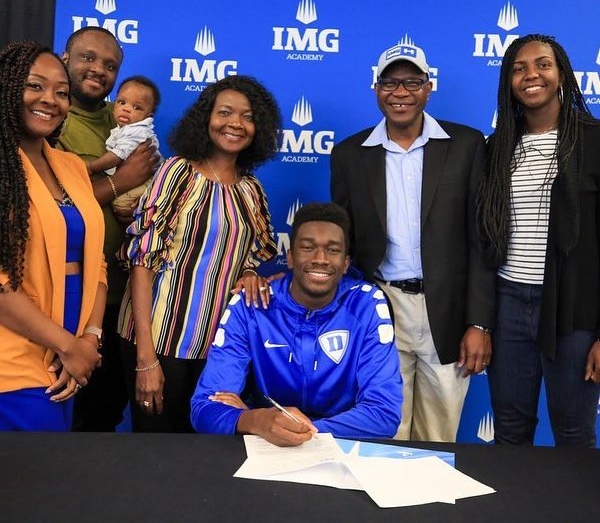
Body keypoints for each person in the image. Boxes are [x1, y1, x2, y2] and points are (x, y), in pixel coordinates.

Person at [330, 42, 496, 442]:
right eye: (389, 82)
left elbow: (482, 240)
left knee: (439, 436)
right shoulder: (349, 154)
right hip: (381, 308)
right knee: (385, 429)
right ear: (376, 88)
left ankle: (431, 507)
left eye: (411, 82)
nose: (400, 92)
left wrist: (479, 322)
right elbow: (343, 242)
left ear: (428, 87)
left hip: (449, 312)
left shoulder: (468, 146)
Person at [118, 75, 280, 433]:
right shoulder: (178, 172)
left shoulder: (252, 190)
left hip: (217, 351)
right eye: (225, 112)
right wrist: (146, 358)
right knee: (158, 455)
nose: (235, 123)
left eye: (247, 116)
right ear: (206, 118)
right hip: (160, 340)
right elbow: (142, 261)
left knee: (206, 454)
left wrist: (250, 275)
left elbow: (250, 259)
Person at [191, 202, 402, 446]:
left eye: (332, 250)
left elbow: (384, 414)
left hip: (338, 448)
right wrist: (256, 421)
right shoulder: (250, 305)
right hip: (266, 448)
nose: (320, 259)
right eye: (308, 248)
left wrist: (288, 426)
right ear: (290, 257)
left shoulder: (366, 304)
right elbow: (204, 409)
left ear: (346, 264)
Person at [477, 34, 600, 447]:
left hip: (574, 312)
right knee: (510, 431)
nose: (531, 75)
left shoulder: (594, 141)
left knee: (573, 432)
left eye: (542, 65)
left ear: (561, 73)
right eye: (518, 68)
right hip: (509, 303)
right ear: (508, 81)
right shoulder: (496, 148)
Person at [0, 41, 105, 431]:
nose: (51, 100)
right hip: (13, 362)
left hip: (70, 359)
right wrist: (65, 343)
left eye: (62, 92)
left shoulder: (72, 166)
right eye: (35, 86)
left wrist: (88, 340)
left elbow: (97, 262)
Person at [58, 26, 158, 431]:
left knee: (106, 413)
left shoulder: (125, 119)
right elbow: (52, 202)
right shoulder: (53, 120)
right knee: (67, 411)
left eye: (110, 65)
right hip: (69, 295)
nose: (98, 69)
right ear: (66, 59)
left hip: (121, 297)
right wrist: (121, 180)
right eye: (88, 58)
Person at [86, 75, 163, 211]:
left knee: (120, 205)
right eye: (121, 102)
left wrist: (92, 167)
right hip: (137, 180)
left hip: (150, 181)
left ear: (148, 117)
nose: (126, 109)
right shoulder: (123, 128)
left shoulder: (138, 131)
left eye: (136, 107)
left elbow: (117, 155)